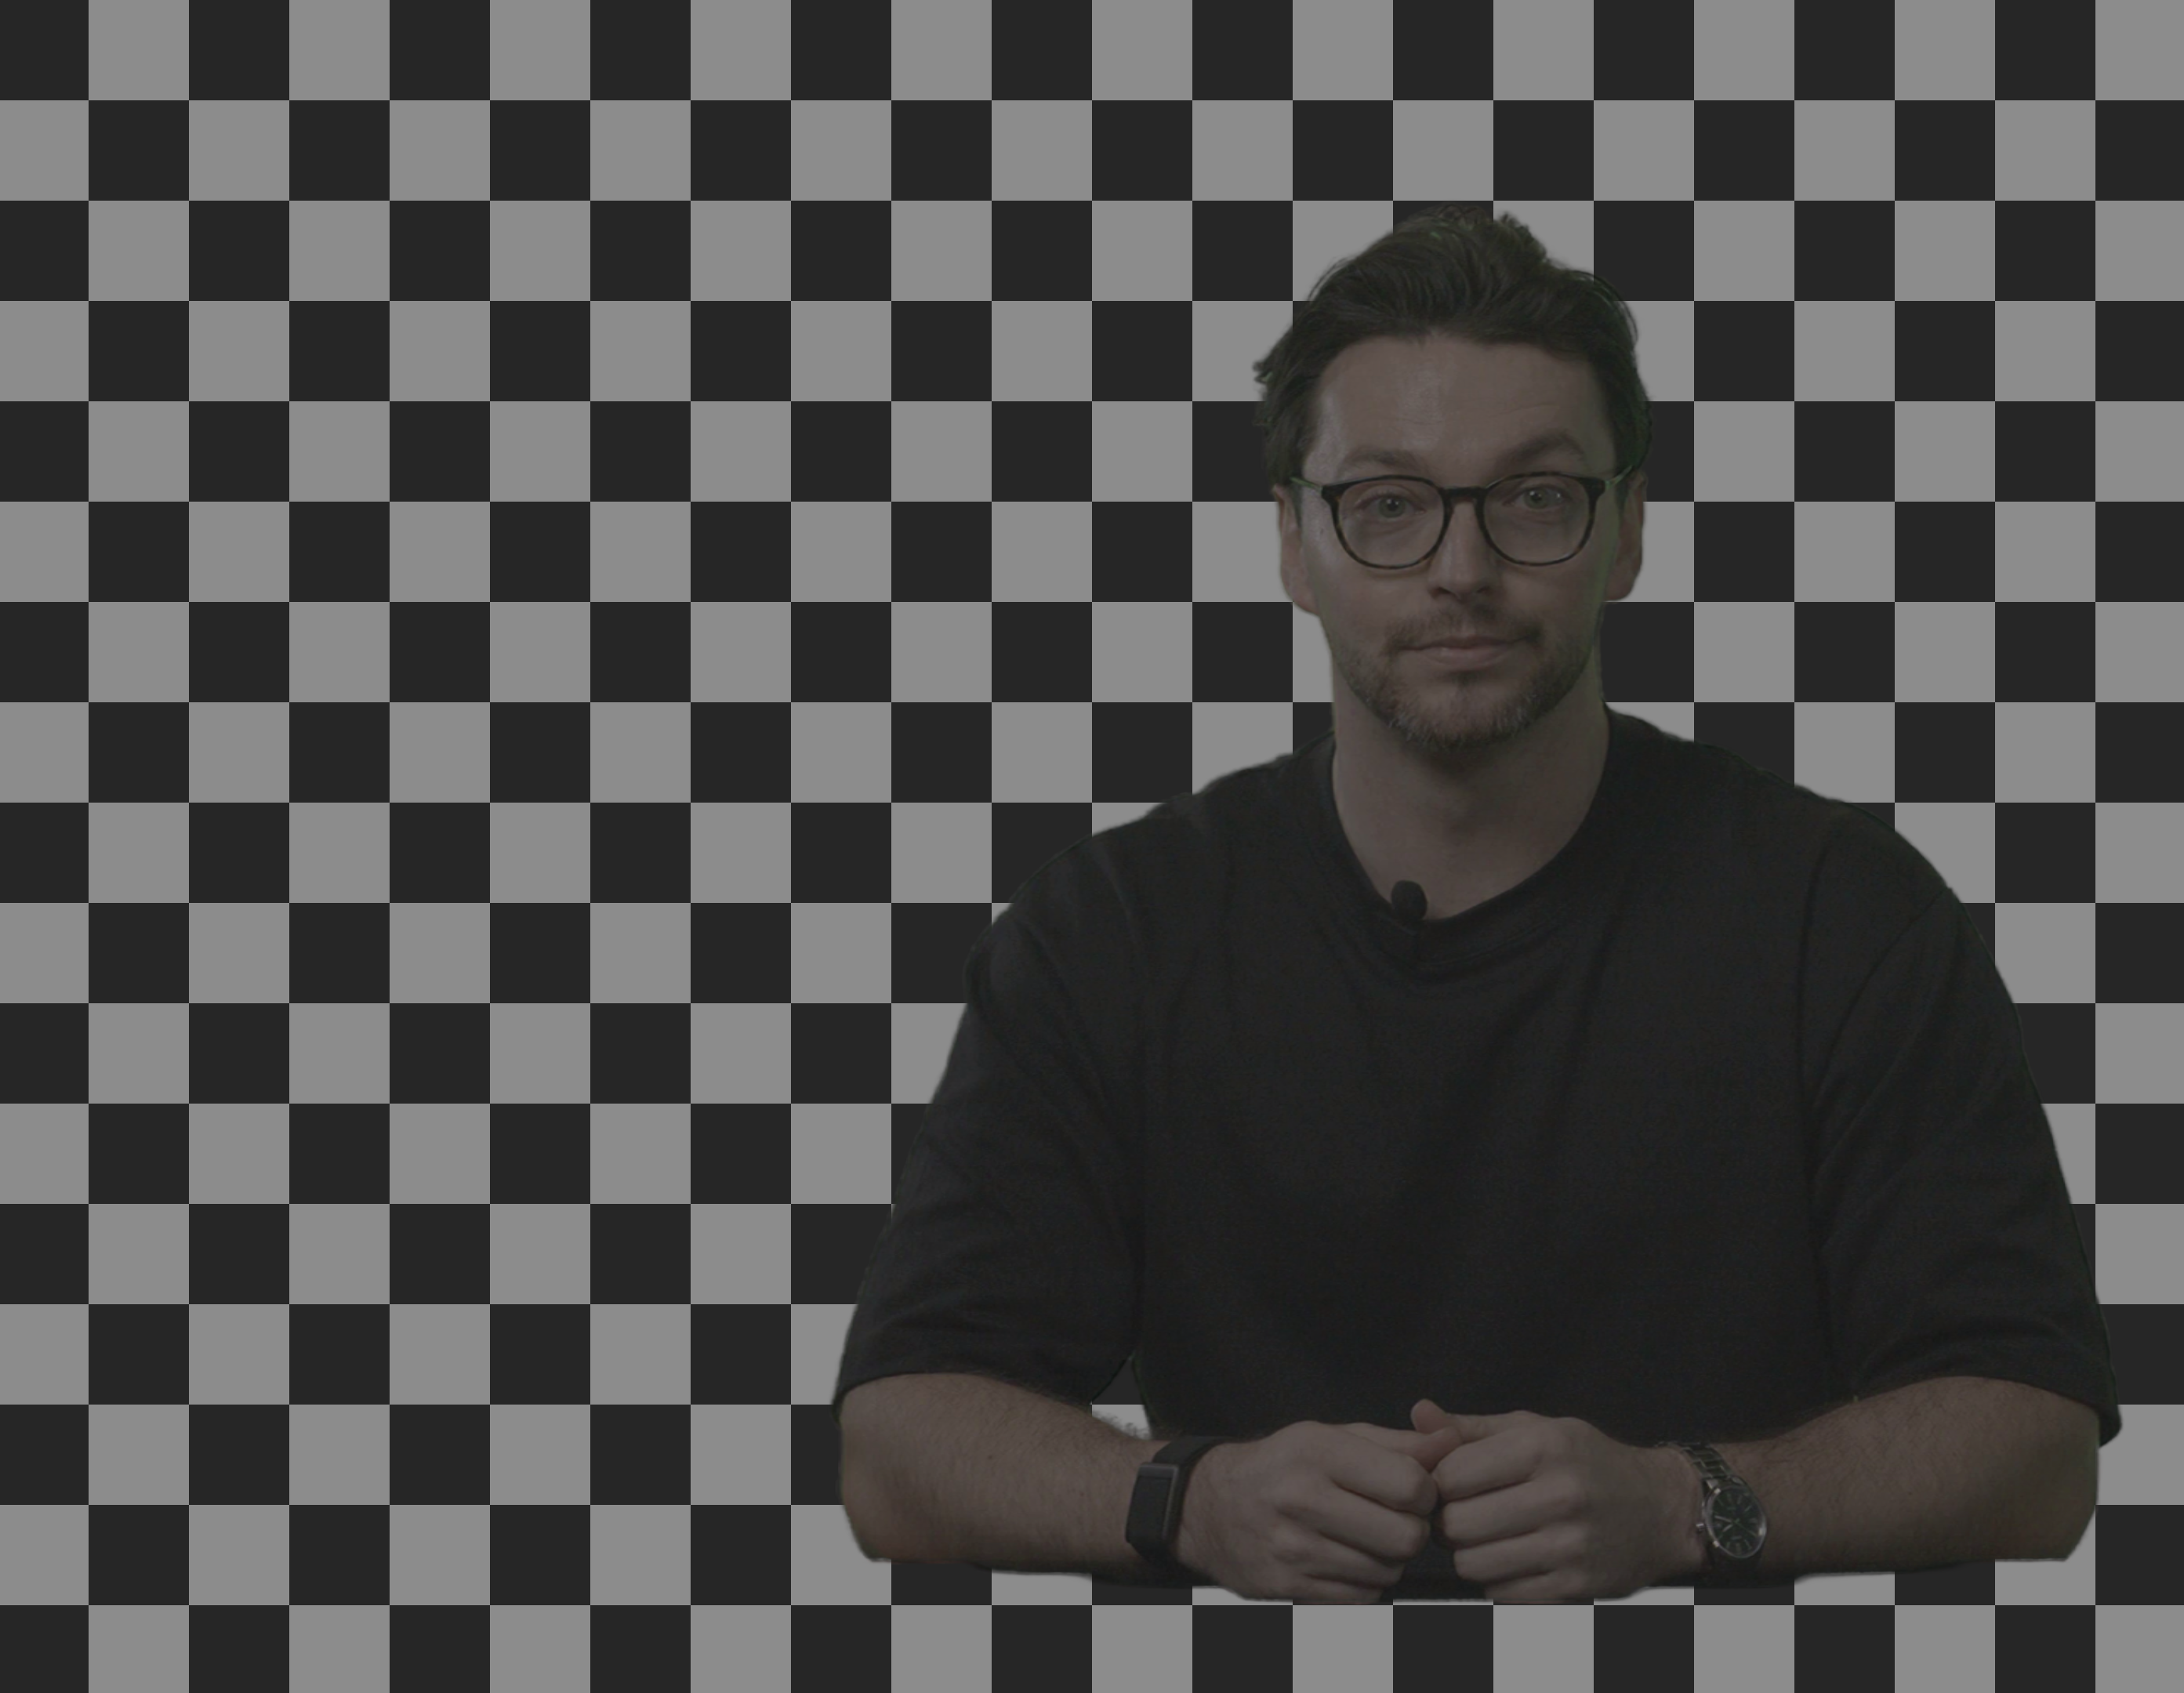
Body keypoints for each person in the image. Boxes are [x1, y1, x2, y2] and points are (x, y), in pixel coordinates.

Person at [833, 206, 2119, 1604]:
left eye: (1536, 497)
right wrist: (1190, 1501)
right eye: (1388, 503)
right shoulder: (1112, 934)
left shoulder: (1844, 916)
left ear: (1627, 531)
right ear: (1294, 545)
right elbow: (897, 1444)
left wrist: (1684, 1503)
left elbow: (2036, 1444)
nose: (1462, 568)